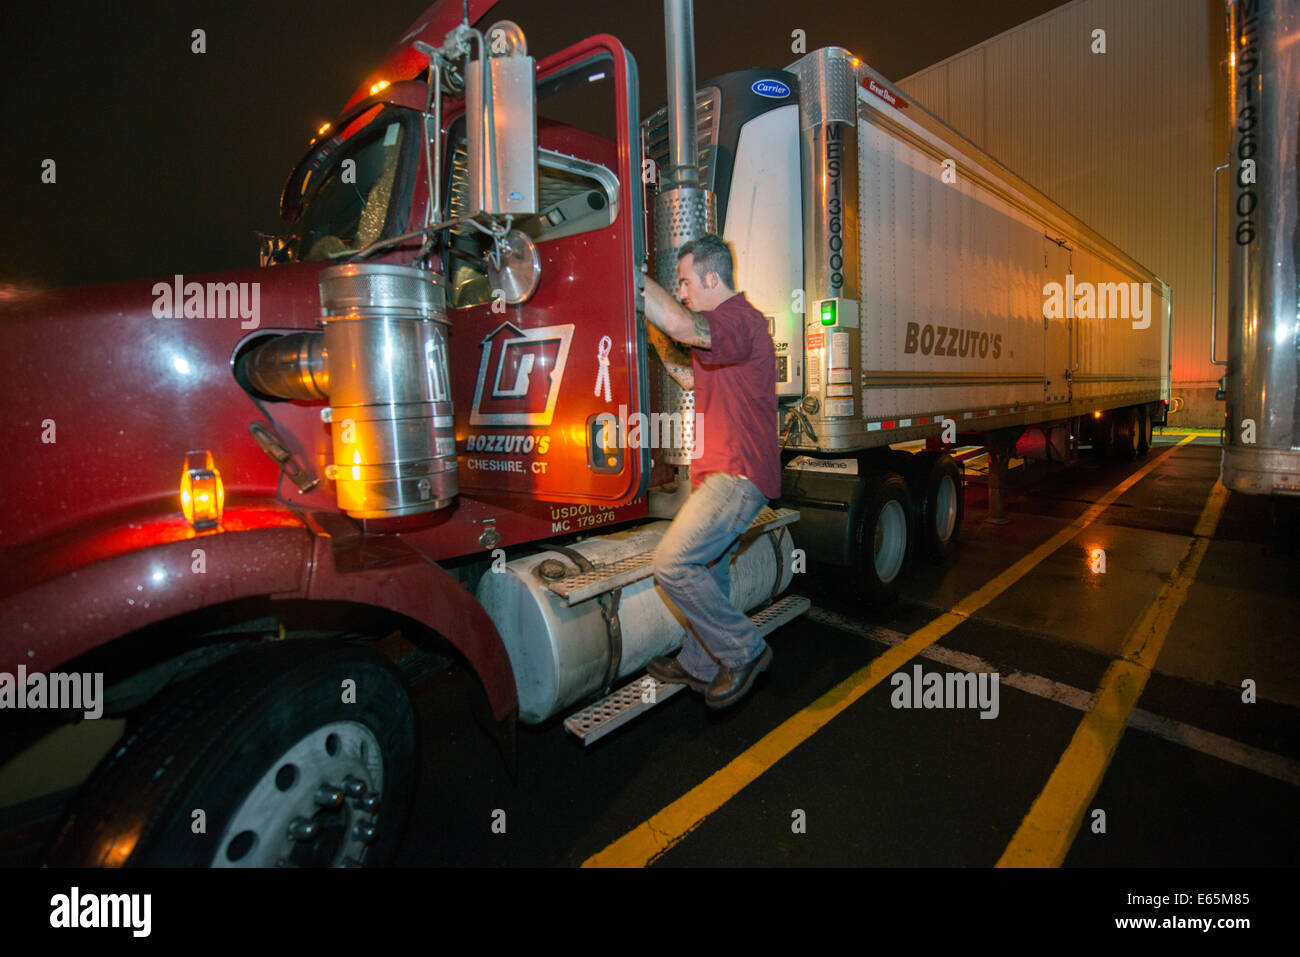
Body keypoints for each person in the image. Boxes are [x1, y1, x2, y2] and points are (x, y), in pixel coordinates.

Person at [638, 234, 780, 709]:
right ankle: (700, 663)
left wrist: (631, 279)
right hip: (719, 474)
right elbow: (687, 375)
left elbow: (683, 324)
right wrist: (658, 335)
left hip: (737, 475)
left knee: (673, 564)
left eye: (684, 282)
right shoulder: (724, 336)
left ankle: (744, 651)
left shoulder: (739, 319)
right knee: (709, 571)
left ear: (712, 278)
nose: (680, 292)